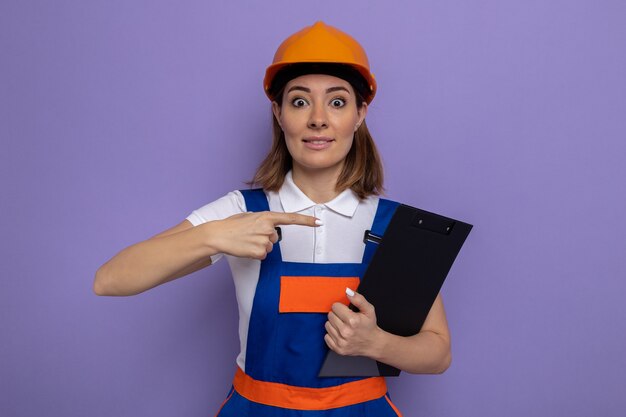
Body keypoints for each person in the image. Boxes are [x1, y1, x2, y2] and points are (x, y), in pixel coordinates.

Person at [94, 21, 451, 416]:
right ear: (279, 114)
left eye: (337, 102)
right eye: (299, 101)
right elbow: (111, 279)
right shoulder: (238, 212)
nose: (318, 119)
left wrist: (376, 345)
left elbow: (437, 352)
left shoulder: (395, 226)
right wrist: (214, 235)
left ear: (360, 113)